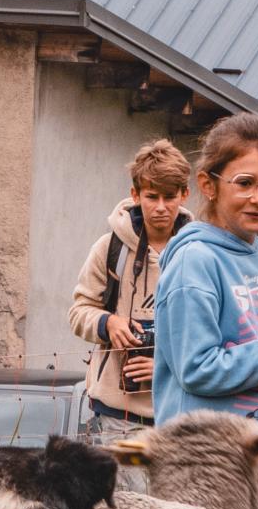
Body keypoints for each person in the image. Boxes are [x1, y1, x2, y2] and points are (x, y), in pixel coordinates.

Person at [154, 112, 258, 467]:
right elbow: (197, 369)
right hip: (203, 469)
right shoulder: (194, 262)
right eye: (245, 183)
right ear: (208, 184)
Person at [67, 138, 191, 446]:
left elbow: (213, 335)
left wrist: (164, 369)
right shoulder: (110, 249)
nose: (161, 207)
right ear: (135, 195)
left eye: (169, 196)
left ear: (185, 194)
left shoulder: (198, 254)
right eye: (151, 196)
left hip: (180, 414)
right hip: (115, 417)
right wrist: (109, 324)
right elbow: (79, 311)